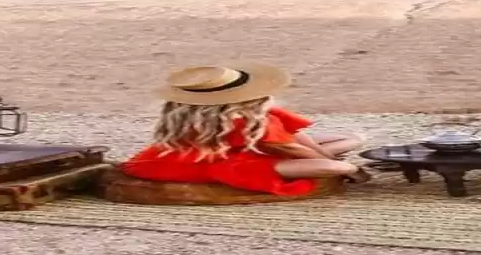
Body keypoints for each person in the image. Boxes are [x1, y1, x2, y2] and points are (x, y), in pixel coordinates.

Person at [121, 62, 370, 196]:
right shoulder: (245, 121)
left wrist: (319, 153)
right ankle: (343, 165)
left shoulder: (191, 113)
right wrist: (346, 167)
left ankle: (328, 159)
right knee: (338, 167)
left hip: (184, 157)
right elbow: (293, 149)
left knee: (351, 139)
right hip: (222, 165)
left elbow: (294, 138)